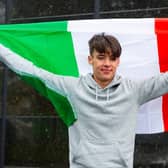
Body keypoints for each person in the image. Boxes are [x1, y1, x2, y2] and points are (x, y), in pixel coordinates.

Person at [0, 33, 168, 168]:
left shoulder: (133, 90)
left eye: (112, 58)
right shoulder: (72, 88)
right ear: (90, 59)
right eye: (101, 57)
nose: (107, 63)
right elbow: (32, 70)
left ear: (118, 62)